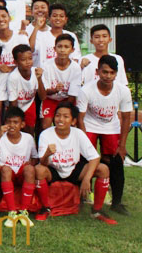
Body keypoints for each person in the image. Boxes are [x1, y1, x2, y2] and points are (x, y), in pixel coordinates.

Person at [34, 103, 116, 224]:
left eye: (65, 116)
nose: (60, 119)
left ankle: (97, 210)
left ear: (73, 121)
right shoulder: (46, 134)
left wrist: (87, 179)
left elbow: (94, 157)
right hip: (54, 169)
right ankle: (45, 208)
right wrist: (46, 154)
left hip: (74, 169)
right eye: (58, 116)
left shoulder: (78, 133)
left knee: (103, 169)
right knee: (39, 169)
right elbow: (43, 163)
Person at [77, 55, 132, 215]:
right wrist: (85, 143)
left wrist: (122, 146)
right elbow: (80, 118)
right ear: (97, 71)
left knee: (115, 161)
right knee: (84, 160)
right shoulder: (86, 90)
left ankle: (117, 202)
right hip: (90, 125)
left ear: (116, 74)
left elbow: (126, 118)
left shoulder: (123, 91)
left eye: (112, 73)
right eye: (105, 72)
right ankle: (81, 196)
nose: (108, 76)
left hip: (111, 126)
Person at [0, 107, 37, 228]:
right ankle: (11, 212)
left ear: (22, 124)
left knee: (30, 168)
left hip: (21, 173)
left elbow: (35, 158)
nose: (12, 125)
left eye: (15, 122)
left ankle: (24, 212)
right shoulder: (1, 137)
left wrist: (28, 167)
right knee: (5, 168)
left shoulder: (28, 138)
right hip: (7, 174)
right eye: (9, 122)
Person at [39, 34, 82, 129]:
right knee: (46, 125)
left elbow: (72, 95)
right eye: (60, 46)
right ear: (54, 48)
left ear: (72, 50)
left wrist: (64, 110)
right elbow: (44, 93)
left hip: (67, 100)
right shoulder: (46, 65)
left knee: (69, 124)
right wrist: (54, 90)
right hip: (50, 99)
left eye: (66, 47)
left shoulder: (75, 68)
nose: (62, 50)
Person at [8, 44, 41, 134]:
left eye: (30, 58)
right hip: (17, 106)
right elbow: (13, 103)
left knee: (30, 131)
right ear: (15, 62)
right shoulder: (13, 77)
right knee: (16, 130)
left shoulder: (36, 72)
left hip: (29, 104)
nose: (28, 62)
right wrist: (16, 118)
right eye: (23, 60)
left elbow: (43, 97)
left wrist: (39, 79)